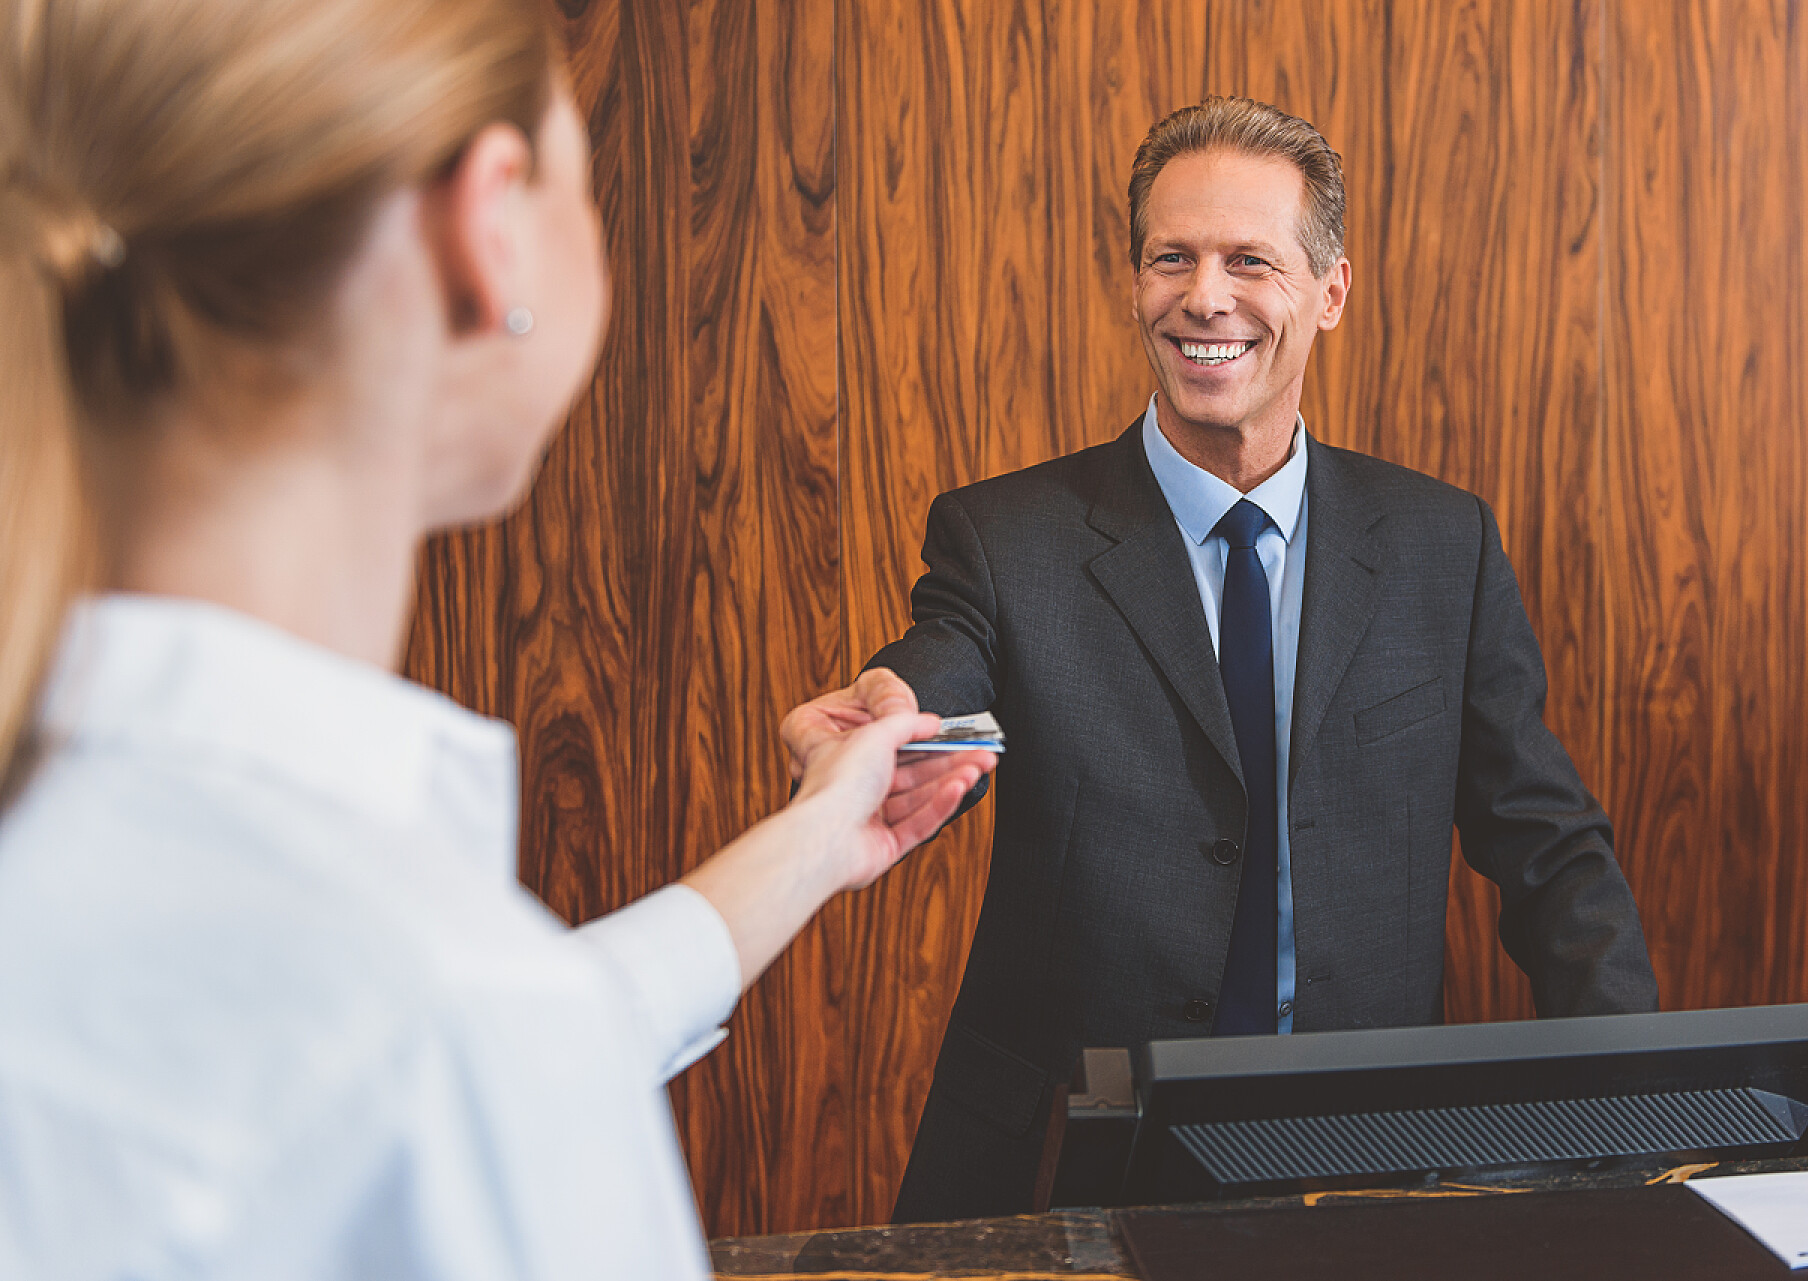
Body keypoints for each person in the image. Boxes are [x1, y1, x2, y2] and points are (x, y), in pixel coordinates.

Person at [0, 0, 994, 1276]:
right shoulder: (446, 1019)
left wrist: (809, 846)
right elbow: (461, 1049)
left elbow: (471, 1047)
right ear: (490, 228)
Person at [783, 97, 1660, 1223]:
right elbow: (937, 671)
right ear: (1135, 279)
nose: (1205, 297)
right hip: (1071, 1162)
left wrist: (1632, 1110)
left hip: (1369, 1165)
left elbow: (1549, 847)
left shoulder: (1446, 544)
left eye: (1250, 260)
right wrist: (895, 717)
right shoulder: (1006, 541)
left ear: (1330, 292)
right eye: (1172, 259)